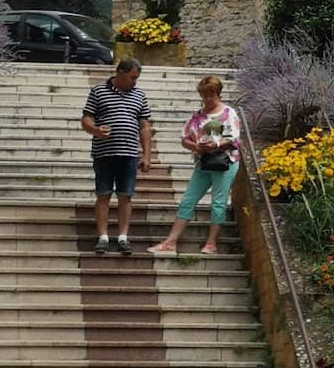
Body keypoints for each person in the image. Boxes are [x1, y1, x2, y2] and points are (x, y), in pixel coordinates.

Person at [148, 75, 241, 257]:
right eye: (204, 95)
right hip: (204, 162)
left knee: (218, 202)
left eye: (211, 95)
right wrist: (197, 147)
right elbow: (184, 138)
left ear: (218, 94)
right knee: (188, 200)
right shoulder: (197, 115)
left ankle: (211, 243)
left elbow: (234, 138)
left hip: (225, 162)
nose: (208, 99)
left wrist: (215, 144)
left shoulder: (228, 113)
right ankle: (171, 241)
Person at [82, 58, 152, 256]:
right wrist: (95, 130)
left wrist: (146, 155)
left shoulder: (140, 95)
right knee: (103, 194)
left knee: (125, 196)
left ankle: (123, 237)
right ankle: (103, 237)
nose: (134, 82)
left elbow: (145, 126)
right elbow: (86, 119)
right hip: (104, 153)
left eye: (136, 78)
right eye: (132, 77)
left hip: (129, 153)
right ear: (119, 72)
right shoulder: (98, 91)